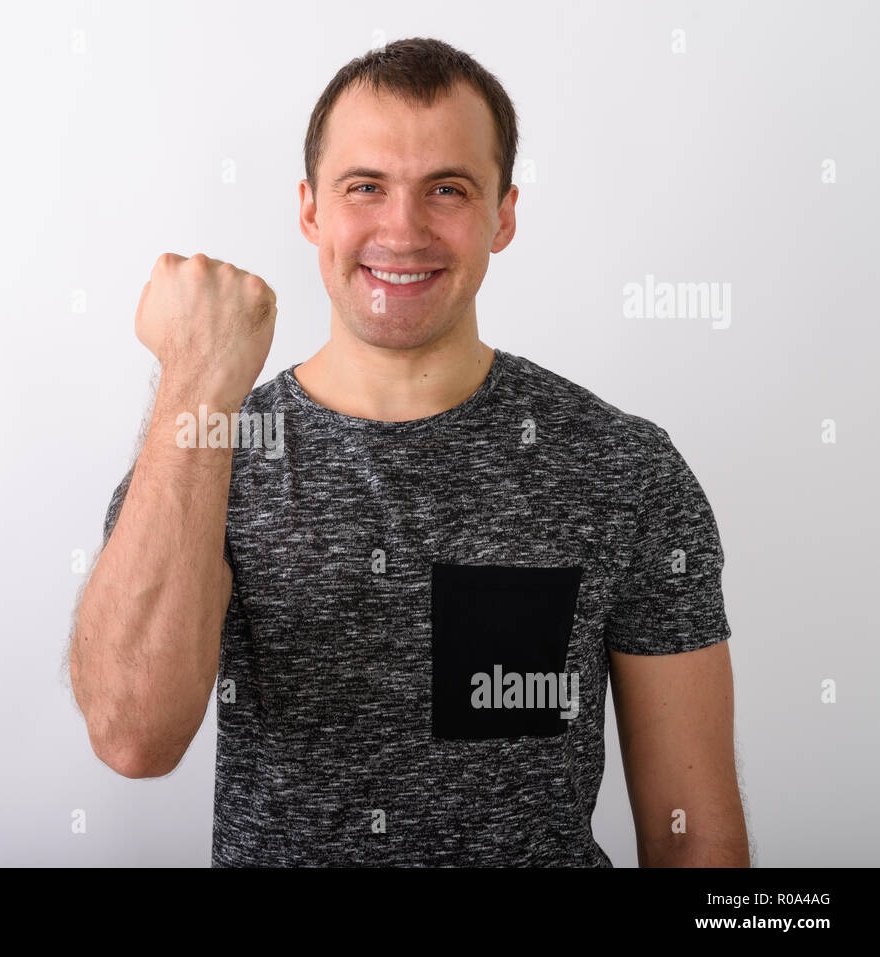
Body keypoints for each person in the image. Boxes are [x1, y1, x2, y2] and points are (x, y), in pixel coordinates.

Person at [69, 36, 749, 867]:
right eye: (366, 186)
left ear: (503, 214)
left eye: (448, 190)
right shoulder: (208, 450)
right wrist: (194, 381)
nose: (403, 227)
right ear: (311, 209)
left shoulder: (624, 468)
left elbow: (699, 838)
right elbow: (133, 738)